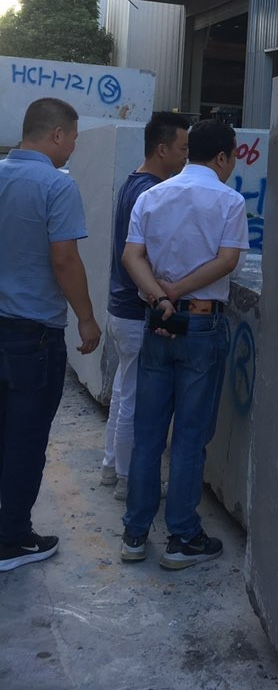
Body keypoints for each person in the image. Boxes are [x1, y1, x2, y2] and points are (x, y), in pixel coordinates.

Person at [120, 119, 249, 570]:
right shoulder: (229, 201)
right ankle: (182, 537)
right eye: (233, 157)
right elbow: (227, 261)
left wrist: (160, 297)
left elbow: (131, 256)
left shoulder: (152, 196)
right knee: (190, 438)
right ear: (223, 157)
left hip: (158, 321)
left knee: (148, 434)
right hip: (200, 325)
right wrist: (176, 292)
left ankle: (135, 534)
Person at [0, 97, 101, 572]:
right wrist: (86, 317)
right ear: (57, 134)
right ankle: (12, 539)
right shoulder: (57, 185)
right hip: (33, 334)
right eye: (73, 138)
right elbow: (64, 260)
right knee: (24, 438)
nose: (73, 148)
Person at [100, 112, 190, 501]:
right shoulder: (151, 193)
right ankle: (127, 479)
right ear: (162, 149)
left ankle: (112, 468)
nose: (187, 157)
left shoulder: (133, 183)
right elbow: (144, 257)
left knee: (124, 391)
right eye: (183, 148)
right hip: (136, 311)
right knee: (135, 400)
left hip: (121, 308)